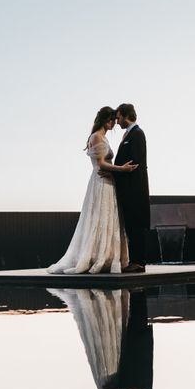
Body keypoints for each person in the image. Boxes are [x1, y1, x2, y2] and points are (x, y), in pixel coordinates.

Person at [48, 106, 138, 274]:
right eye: (112, 120)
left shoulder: (103, 137)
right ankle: (96, 257)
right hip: (101, 182)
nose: (114, 123)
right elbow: (102, 164)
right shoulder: (97, 137)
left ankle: (106, 255)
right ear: (105, 120)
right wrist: (122, 169)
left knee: (108, 218)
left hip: (109, 181)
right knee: (98, 218)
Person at [109, 104, 151, 273]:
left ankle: (139, 262)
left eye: (118, 117)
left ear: (126, 116)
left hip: (135, 188)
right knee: (131, 225)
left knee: (136, 224)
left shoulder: (137, 134)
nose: (117, 122)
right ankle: (135, 260)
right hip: (128, 188)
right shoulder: (129, 134)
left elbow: (133, 162)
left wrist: (114, 172)